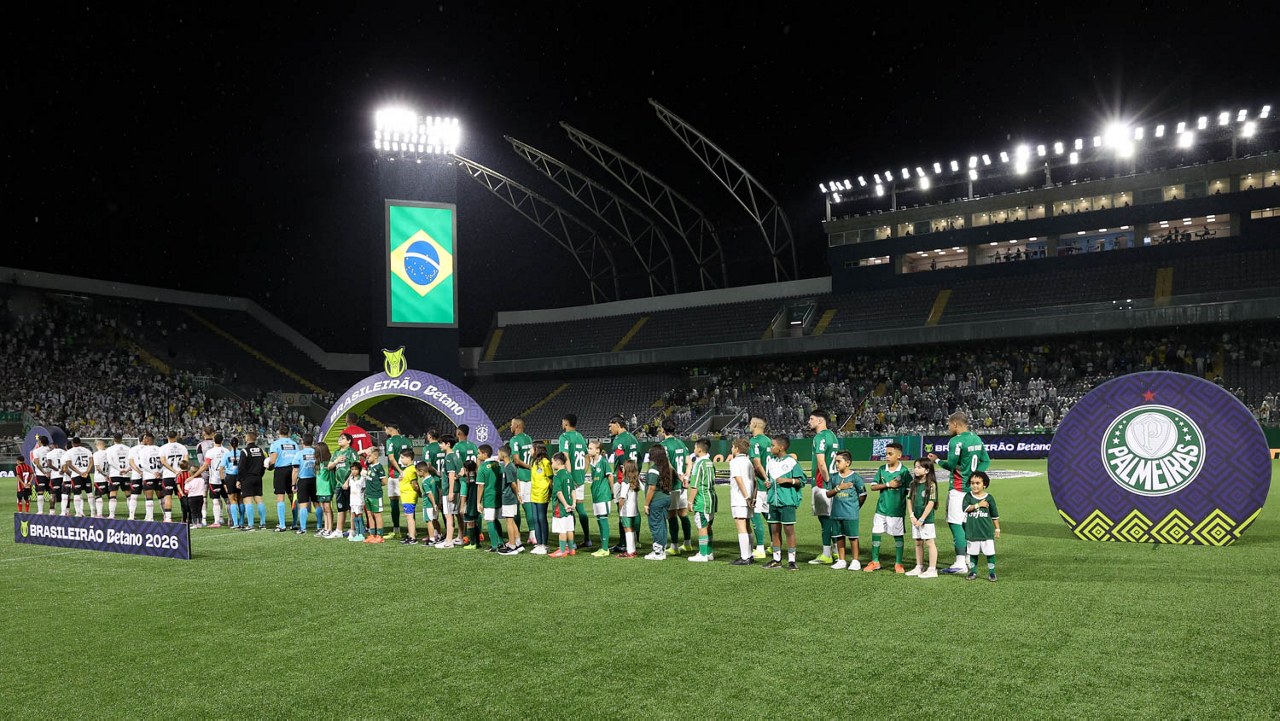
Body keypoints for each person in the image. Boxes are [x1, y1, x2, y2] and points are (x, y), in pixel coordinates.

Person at [927, 412, 990, 574]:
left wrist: (937, 460)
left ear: (955, 424)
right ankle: (969, 558)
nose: (948, 428)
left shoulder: (956, 441)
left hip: (958, 488)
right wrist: (975, 477)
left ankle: (960, 563)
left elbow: (951, 465)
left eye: (948, 425)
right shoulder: (976, 439)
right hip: (971, 491)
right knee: (965, 524)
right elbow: (986, 460)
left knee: (955, 523)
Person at [864, 441, 911, 573]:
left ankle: (898, 563)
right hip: (881, 509)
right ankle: (875, 561)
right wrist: (888, 485)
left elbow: (910, 490)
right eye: (886, 454)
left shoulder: (904, 471)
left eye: (890, 454)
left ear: (899, 455)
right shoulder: (881, 469)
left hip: (896, 510)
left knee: (897, 535)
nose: (887, 456)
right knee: (876, 533)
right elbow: (873, 486)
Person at [763, 435, 807, 571]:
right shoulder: (771, 461)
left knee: (789, 530)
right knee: (774, 530)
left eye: (772, 445)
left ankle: (792, 560)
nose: (770, 448)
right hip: (773, 501)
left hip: (787, 502)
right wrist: (768, 483)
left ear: (781, 447)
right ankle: (777, 559)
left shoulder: (792, 462)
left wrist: (789, 481)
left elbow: (803, 480)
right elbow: (770, 480)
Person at [825, 450, 867, 570]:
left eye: (839, 461)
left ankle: (855, 561)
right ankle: (842, 560)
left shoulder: (855, 477)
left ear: (847, 463)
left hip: (850, 513)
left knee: (853, 537)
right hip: (836, 512)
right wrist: (839, 488)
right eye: (835, 462)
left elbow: (863, 494)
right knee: (839, 537)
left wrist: (856, 507)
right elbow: (828, 494)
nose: (836, 464)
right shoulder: (834, 478)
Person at [808, 409, 839, 565]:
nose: (809, 421)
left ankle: (826, 553)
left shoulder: (819, 437)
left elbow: (821, 462)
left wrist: (826, 481)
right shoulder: (833, 436)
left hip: (822, 484)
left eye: (812, 419)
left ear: (821, 421)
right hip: (834, 481)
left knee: (825, 519)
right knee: (832, 518)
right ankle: (836, 552)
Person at [559, 414, 592, 548]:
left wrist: (569, 477)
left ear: (566, 423)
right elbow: (587, 457)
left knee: (569, 509)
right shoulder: (580, 437)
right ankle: (587, 539)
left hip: (570, 477)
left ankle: (571, 542)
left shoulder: (564, 437)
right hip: (580, 477)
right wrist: (582, 473)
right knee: (580, 508)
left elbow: (565, 457)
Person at [608, 415, 640, 552]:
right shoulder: (633, 438)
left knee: (622, 511)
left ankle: (623, 543)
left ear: (617, 424)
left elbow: (622, 461)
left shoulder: (618, 441)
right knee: (634, 510)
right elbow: (638, 456)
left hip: (623, 480)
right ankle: (635, 540)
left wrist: (625, 478)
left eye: (611, 426)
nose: (610, 429)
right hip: (634, 477)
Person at [659, 420, 691, 555]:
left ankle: (674, 546)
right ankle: (687, 544)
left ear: (663, 430)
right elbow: (689, 462)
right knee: (683, 514)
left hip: (672, 484)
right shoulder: (681, 443)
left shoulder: (663, 445)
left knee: (671, 515)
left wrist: (678, 477)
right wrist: (686, 477)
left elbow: (668, 465)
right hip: (682, 485)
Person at [962, 471, 1000, 582]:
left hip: (986, 531)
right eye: (972, 483)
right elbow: (965, 508)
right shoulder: (968, 496)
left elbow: (994, 515)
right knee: (973, 553)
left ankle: (992, 573)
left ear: (984, 484)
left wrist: (997, 528)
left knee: (990, 553)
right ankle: (973, 571)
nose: (974, 485)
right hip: (972, 531)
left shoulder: (989, 498)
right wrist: (978, 505)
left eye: (978, 483)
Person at [906, 458, 939, 579]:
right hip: (915, 519)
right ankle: (919, 566)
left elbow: (931, 502)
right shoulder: (912, 484)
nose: (916, 469)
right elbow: (909, 500)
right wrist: (912, 516)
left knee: (930, 542)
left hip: (926, 519)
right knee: (918, 542)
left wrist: (922, 519)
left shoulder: (931, 485)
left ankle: (932, 569)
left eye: (919, 467)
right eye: (915, 467)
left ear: (927, 470)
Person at [642, 444, 675, 561]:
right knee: (662, 525)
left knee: (656, 525)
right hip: (666, 498)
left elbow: (651, 488)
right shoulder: (666, 467)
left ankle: (658, 552)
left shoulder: (654, 469)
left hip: (656, 500)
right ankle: (661, 549)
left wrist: (646, 504)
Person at [686, 438, 716, 562]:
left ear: (699, 448)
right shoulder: (710, 462)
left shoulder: (699, 464)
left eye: (694, 447)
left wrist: (690, 501)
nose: (694, 450)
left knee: (702, 526)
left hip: (702, 499)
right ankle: (708, 552)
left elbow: (695, 485)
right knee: (708, 526)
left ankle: (703, 554)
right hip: (711, 497)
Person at [727, 438, 755, 565]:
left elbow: (738, 479)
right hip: (749, 497)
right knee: (748, 526)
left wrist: (746, 497)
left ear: (737, 449)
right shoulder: (748, 461)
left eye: (733, 447)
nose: (731, 449)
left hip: (740, 498)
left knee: (741, 526)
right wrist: (752, 497)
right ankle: (749, 555)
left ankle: (744, 557)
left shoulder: (734, 462)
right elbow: (754, 481)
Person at [508, 418, 535, 546]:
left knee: (516, 506)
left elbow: (517, 460)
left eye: (512, 424)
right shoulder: (529, 438)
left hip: (520, 476)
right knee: (529, 505)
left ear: (517, 425)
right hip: (530, 477)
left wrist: (528, 467)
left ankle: (516, 535)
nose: (510, 426)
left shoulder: (514, 440)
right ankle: (533, 534)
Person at [747, 416, 771, 560]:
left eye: (750, 423)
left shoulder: (754, 441)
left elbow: (757, 463)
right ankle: (775, 545)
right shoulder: (769, 441)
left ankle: (760, 548)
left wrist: (765, 478)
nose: (749, 425)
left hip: (759, 484)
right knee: (769, 515)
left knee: (756, 515)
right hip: (769, 485)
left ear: (755, 424)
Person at [267, 426, 299, 532]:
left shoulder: (275, 444)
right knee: (292, 497)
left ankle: (282, 525)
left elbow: (273, 460)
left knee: (280, 497)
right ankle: (294, 523)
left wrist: (269, 466)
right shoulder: (294, 444)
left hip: (281, 471)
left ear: (279, 432)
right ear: (288, 433)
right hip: (293, 470)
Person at [327, 433, 359, 539]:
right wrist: (336, 461)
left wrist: (348, 481)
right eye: (339, 438)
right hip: (339, 484)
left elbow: (356, 468)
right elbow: (329, 467)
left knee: (351, 508)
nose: (340, 439)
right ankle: (339, 531)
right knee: (340, 508)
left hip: (350, 485)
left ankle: (353, 531)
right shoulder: (336, 453)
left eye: (343, 438)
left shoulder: (351, 452)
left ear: (349, 441)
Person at [383, 421, 411, 539]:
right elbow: (411, 457)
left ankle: (397, 530)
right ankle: (411, 531)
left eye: (385, 429)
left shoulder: (390, 441)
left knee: (394, 503)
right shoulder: (406, 440)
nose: (385, 432)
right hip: (407, 475)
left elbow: (391, 458)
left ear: (389, 429)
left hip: (395, 475)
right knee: (409, 503)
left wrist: (400, 471)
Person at [476, 444, 506, 552]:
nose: (477, 455)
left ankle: (494, 546)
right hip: (498, 495)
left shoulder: (483, 467)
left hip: (489, 496)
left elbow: (480, 486)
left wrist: (478, 502)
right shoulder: (497, 464)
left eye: (479, 453)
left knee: (489, 520)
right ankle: (501, 542)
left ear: (485, 454)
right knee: (495, 519)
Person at [434, 435, 462, 549]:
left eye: (441, 443)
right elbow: (461, 471)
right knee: (458, 514)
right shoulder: (456, 456)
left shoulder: (449, 457)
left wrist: (450, 492)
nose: (440, 445)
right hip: (457, 489)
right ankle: (460, 537)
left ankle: (448, 541)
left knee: (448, 515)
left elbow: (451, 475)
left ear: (448, 444)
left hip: (449, 490)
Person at [586, 440, 612, 557]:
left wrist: (611, 491)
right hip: (596, 495)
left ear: (598, 450)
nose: (588, 450)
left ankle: (605, 548)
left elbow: (610, 476)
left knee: (603, 520)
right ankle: (602, 547)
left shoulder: (603, 462)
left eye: (591, 448)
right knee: (599, 520)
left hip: (603, 494)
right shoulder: (592, 462)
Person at [548, 452, 576, 557]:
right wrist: (573, 503)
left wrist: (564, 505)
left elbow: (559, 492)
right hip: (570, 505)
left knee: (562, 529)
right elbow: (573, 490)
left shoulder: (557, 476)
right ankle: (571, 549)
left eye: (552, 462)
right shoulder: (568, 474)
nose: (552, 465)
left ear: (558, 462)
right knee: (569, 528)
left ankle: (562, 550)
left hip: (560, 507)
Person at [238, 431, 267, 530]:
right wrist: (260, 475)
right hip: (258, 478)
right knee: (259, 500)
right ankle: (263, 523)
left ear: (247, 439)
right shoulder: (261, 451)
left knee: (248, 501)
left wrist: (239, 480)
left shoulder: (244, 451)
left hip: (247, 478)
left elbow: (241, 468)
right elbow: (264, 465)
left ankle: (250, 525)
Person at [497, 445, 523, 555]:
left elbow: (513, 483)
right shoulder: (511, 466)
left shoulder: (508, 468)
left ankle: (512, 546)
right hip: (511, 497)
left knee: (509, 522)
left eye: (498, 453)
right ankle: (518, 543)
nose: (498, 455)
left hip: (508, 497)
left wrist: (517, 494)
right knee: (511, 521)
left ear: (503, 454)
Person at [527, 441, 552, 555]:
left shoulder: (546, 462)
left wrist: (550, 492)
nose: (530, 451)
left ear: (537, 449)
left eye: (531, 448)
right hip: (534, 493)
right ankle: (539, 543)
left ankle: (544, 545)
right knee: (535, 519)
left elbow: (550, 479)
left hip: (542, 494)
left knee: (542, 519)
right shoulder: (534, 463)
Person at [157, 431, 188, 524]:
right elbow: (186, 461)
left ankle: (168, 518)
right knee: (183, 497)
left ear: (167, 437)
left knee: (167, 496)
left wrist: (174, 471)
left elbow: (163, 462)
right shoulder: (182, 447)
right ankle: (185, 518)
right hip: (181, 475)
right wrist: (180, 471)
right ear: (176, 437)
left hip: (168, 476)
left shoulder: (163, 448)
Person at [129, 434, 160, 521]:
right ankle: (148, 515)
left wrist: (139, 472)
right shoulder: (156, 448)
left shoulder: (134, 449)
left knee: (135, 495)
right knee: (148, 495)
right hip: (151, 474)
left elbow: (131, 462)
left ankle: (132, 515)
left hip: (140, 474)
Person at [615, 459, 641, 558]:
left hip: (626, 510)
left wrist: (620, 511)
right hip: (634, 509)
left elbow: (622, 498)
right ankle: (633, 550)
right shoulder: (636, 480)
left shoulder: (625, 481)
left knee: (627, 529)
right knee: (632, 529)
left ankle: (630, 551)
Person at [292, 434, 318, 535]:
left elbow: (295, 470)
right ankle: (319, 526)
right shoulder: (316, 453)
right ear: (312, 442)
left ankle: (303, 528)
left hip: (303, 481)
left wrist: (293, 484)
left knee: (303, 505)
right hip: (315, 480)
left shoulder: (299, 454)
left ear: (302, 442)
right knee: (317, 503)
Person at [61, 437, 93, 517]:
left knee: (77, 494)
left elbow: (69, 464)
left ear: (72, 443)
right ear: (80, 442)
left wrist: (79, 472)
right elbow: (91, 462)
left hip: (76, 475)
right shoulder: (87, 450)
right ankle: (93, 512)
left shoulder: (69, 452)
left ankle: (78, 513)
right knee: (89, 493)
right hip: (86, 475)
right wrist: (86, 472)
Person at [396, 448, 421, 545]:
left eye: (402, 458)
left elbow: (414, 484)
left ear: (409, 458)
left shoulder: (411, 470)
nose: (401, 460)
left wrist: (419, 493)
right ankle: (410, 535)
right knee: (408, 516)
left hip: (409, 496)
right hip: (406, 496)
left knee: (410, 517)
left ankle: (413, 538)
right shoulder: (407, 469)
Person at [362, 446, 386, 543]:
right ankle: (372, 534)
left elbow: (384, 481)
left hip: (376, 495)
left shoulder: (379, 467)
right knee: (369, 514)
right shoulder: (369, 465)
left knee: (377, 514)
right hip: (368, 494)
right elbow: (360, 454)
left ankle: (380, 536)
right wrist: (366, 451)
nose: (367, 457)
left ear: (375, 457)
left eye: (369, 455)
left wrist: (375, 485)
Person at [194, 427, 217, 525]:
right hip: (216, 472)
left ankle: (204, 518)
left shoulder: (200, 445)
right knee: (218, 495)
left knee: (204, 495)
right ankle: (220, 518)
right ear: (213, 433)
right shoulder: (217, 444)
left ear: (204, 433)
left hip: (205, 472)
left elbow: (200, 461)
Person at [314, 441, 336, 537]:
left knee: (327, 508)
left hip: (326, 489)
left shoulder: (328, 463)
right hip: (320, 490)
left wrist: (333, 488)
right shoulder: (318, 464)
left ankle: (330, 529)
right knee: (323, 509)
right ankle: (326, 528)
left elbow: (331, 477)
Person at [220, 437, 243, 528]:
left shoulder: (227, 455)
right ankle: (241, 522)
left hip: (230, 478)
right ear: (238, 444)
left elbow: (221, 469)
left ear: (230, 444)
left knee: (232, 501)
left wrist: (223, 482)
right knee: (240, 500)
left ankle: (235, 523)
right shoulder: (242, 453)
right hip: (240, 477)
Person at [459, 459, 479, 550]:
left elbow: (463, 495)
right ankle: (477, 542)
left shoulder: (465, 480)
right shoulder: (477, 477)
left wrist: (462, 507)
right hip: (476, 503)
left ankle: (472, 543)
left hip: (469, 503)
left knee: (469, 523)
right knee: (475, 522)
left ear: (465, 469)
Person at [346, 460, 368, 543]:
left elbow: (364, 489)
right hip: (352, 500)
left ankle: (361, 534)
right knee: (354, 516)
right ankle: (357, 533)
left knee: (359, 516)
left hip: (359, 500)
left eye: (355, 469)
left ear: (359, 470)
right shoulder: (351, 479)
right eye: (352, 469)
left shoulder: (362, 479)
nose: (353, 471)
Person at [183, 459, 206, 528]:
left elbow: (186, 491)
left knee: (193, 511)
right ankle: (200, 523)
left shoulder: (189, 481)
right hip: (200, 497)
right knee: (199, 511)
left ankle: (194, 524)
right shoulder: (202, 480)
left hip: (192, 497)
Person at [31, 435, 51, 514]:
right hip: (50, 474)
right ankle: (52, 511)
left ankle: (40, 511)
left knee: (40, 492)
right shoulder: (50, 450)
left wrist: (44, 472)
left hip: (41, 474)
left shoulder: (36, 451)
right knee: (51, 493)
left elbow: (37, 463)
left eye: (38, 441)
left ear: (40, 442)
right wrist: (48, 472)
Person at [46, 441, 66, 516]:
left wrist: (57, 470)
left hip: (55, 476)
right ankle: (66, 511)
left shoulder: (50, 453)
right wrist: (63, 470)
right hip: (64, 475)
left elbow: (49, 464)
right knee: (66, 494)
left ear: (51, 447)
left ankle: (52, 511)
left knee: (53, 494)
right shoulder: (64, 452)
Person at [91, 439, 110, 518]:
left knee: (98, 495)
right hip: (109, 477)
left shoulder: (96, 454)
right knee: (110, 496)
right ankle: (112, 514)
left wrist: (104, 475)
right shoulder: (109, 453)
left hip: (100, 478)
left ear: (97, 445)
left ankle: (99, 514)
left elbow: (98, 467)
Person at [175, 459, 193, 525]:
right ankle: (189, 520)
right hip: (189, 493)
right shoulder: (190, 474)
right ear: (188, 466)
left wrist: (181, 493)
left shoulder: (179, 475)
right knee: (189, 507)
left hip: (182, 494)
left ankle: (185, 520)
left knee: (184, 507)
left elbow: (178, 485)